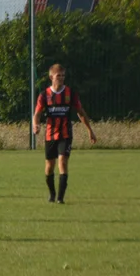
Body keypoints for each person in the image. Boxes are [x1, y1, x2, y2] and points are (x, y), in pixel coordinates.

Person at [33, 63, 97, 204]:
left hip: (65, 134)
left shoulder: (70, 93)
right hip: (50, 135)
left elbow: (81, 113)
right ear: (51, 77)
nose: (61, 78)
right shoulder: (44, 95)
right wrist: (35, 125)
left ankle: (60, 198)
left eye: (63, 75)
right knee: (49, 167)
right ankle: (52, 194)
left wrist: (90, 130)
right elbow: (37, 114)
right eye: (58, 76)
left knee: (62, 162)